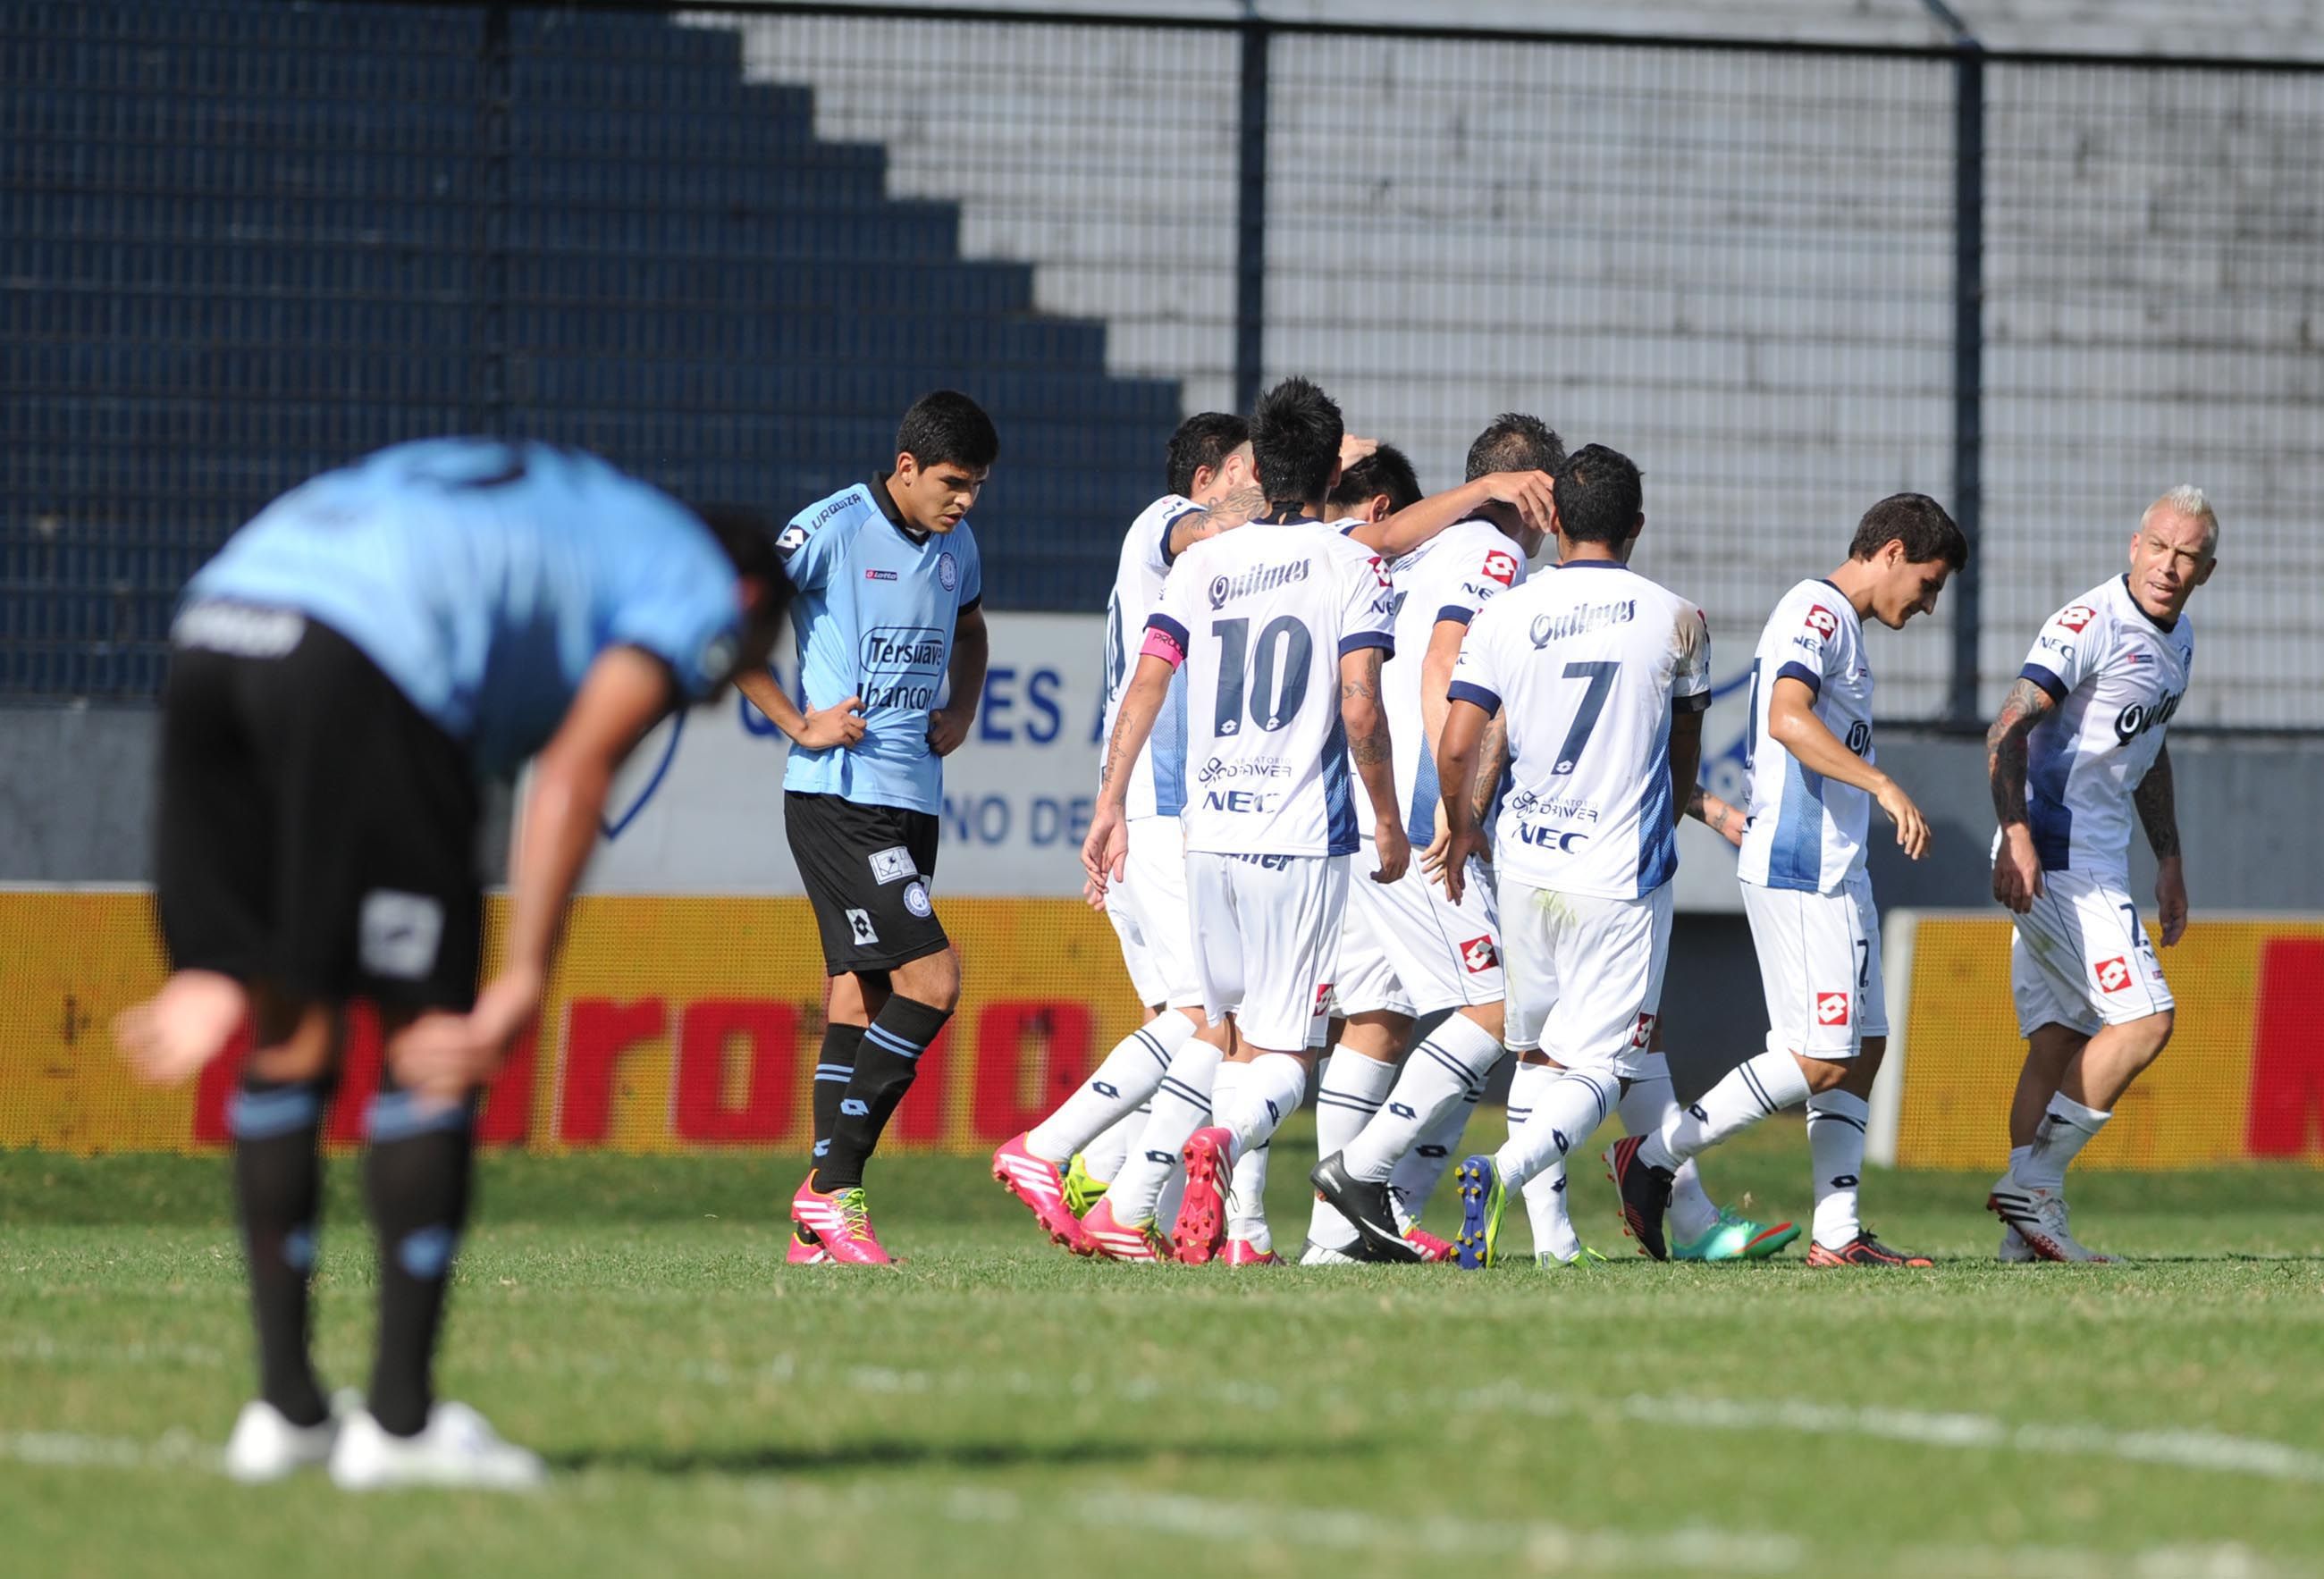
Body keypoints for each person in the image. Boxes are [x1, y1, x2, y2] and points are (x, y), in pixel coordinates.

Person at [114, 438, 791, 1489]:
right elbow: (574, 770)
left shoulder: (577, 514)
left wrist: (215, 945)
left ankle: (286, 1412)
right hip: (365, 661)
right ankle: (398, 1425)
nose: (711, 692)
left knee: (286, 1029)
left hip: (218, 623)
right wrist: (522, 978)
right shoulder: (697, 579)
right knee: (430, 1039)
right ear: (749, 600)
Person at [1083, 375, 1404, 1266]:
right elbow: (1360, 711)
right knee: (1281, 1060)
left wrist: (1109, 804)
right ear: (1327, 472)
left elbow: (1145, 686)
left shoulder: (1201, 564)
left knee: (1216, 1032)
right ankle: (1219, 1148)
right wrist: (1386, 820)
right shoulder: (1352, 564)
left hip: (1207, 835)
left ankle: (1152, 1208)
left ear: (1255, 467)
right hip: (1300, 838)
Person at [1604, 493, 1966, 1264]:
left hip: (1839, 871)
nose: (1930, 605)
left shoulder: (1848, 632)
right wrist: (1882, 785)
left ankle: (1837, 1233)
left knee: (1863, 1044)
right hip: (1803, 874)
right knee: (1820, 1054)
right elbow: (1785, 717)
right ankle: (1655, 1157)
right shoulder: (1818, 609)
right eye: (1929, 584)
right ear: (1893, 551)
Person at [1417, 445, 1708, 1269]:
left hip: (1526, 865)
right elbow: (1686, 743)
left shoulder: (1506, 612)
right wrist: (1669, 822)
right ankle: (1501, 1172)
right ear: (1637, 527)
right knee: (1609, 1067)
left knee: (1539, 1053)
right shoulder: (1677, 616)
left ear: (1560, 521)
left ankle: (1554, 1243)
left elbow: (1457, 742)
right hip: (1620, 872)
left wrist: (1460, 822)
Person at [990, 413, 1262, 1254]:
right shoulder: (1163, 519)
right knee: (1209, 1017)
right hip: (1158, 810)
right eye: (1252, 470)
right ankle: (1052, 1150)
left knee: (1191, 1027)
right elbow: (1209, 527)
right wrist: (1302, 495)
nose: (1261, 485)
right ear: (1209, 476)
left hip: (1149, 812)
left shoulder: (1203, 572)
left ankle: (1107, 1179)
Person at [737, 391, 995, 1268]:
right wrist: (797, 720)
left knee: (859, 997)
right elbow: (727, 625)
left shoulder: (957, 545)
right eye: (952, 484)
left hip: (910, 796)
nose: (963, 503)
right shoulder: (831, 529)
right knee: (934, 980)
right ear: (907, 467)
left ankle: (816, 1226)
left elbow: (972, 631)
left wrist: (962, 706)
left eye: (978, 489)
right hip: (835, 793)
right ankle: (831, 1187)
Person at [1301, 417, 1552, 1265]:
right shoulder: (1492, 553)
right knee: (1498, 1007)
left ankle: (1334, 1243)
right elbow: (1447, 665)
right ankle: (1369, 1178)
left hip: (1367, 825)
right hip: (1420, 816)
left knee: (1377, 1022)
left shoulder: (1414, 551)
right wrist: (1458, 800)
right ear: (1531, 489)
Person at [1984, 487, 2213, 1263]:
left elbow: (2147, 747)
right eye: (2159, 546)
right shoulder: (2088, 623)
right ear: (2134, 545)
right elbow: (2008, 727)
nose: (2169, 565)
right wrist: (2016, 833)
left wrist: (2171, 857)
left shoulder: (2178, 639)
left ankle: (2026, 1234)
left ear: (2205, 571)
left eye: (2187, 555)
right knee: (2147, 1019)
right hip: (2055, 860)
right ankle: (2035, 1183)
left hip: (2100, 859)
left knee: (2058, 1038)